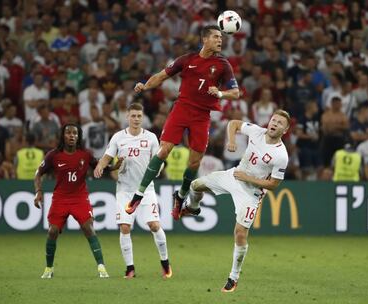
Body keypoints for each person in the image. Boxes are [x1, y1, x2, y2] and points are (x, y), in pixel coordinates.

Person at [126, 25, 239, 220]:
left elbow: (236, 92)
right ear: (204, 39)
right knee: (164, 150)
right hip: (181, 109)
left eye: (221, 37)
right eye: (215, 37)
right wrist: (145, 86)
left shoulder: (223, 65)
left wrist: (220, 93)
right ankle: (139, 193)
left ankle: (180, 196)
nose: (220, 40)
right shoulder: (187, 60)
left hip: (202, 116)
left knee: (194, 161)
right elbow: (161, 76)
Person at [182, 110, 290, 292]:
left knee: (240, 233)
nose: (274, 124)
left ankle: (233, 277)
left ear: (285, 130)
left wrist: (248, 178)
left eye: (280, 123)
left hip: (251, 192)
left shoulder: (281, 156)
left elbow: (273, 184)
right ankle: (193, 207)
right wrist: (231, 140)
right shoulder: (256, 131)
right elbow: (233, 123)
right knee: (195, 185)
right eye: (274, 120)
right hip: (234, 176)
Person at [93, 103, 172, 279]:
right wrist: (100, 166)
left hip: (146, 190)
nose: (136, 119)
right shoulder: (118, 138)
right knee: (125, 227)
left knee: (154, 225)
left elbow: (159, 159)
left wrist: (158, 169)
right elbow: (107, 156)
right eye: (133, 116)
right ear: (127, 117)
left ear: (142, 117)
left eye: (139, 116)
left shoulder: (151, 138)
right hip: (124, 190)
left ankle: (165, 263)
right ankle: (130, 268)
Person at [34, 123, 122, 279]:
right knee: (52, 231)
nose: (72, 135)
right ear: (63, 136)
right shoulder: (53, 155)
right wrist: (38, 192)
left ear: (78, 136)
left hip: (80, 197)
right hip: (60, 198)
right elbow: (38, 173)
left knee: (89, 228)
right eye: (68, 133)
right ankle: (48, 268)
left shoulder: (85, 154)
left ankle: (101, 267)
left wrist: (113, 167)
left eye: (75, 133)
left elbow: (99, 166)